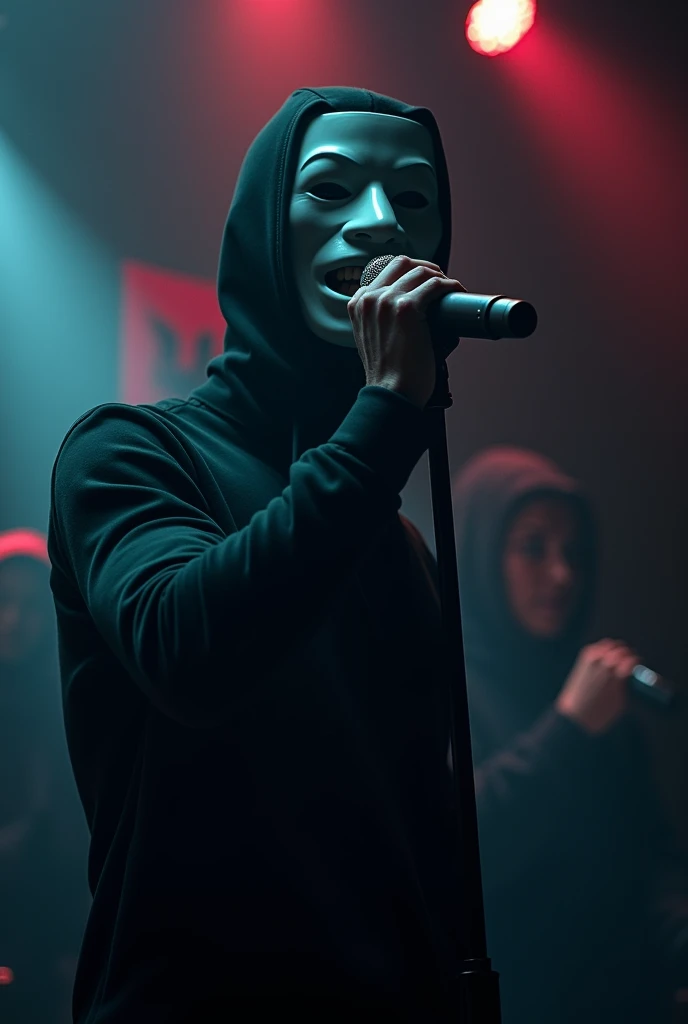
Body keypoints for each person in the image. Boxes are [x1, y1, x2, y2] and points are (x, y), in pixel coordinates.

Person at [48, 87, 470, 1022]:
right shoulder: (129, 452)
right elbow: (190, 651)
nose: (379, 225)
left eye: (413, 199)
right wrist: (386, 414)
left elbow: (420, 836)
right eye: (330, 189)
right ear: (258, 232)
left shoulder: (390, 536)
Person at [452, 446, 688, 1023]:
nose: (562, 574)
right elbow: (461, 857)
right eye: (533, 547)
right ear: (482, 552)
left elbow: (650, 856)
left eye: (573, 552)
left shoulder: (594, 689)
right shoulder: (441, 686)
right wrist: (567, 730)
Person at [0, 528, 90, 1024]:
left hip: (49, 934)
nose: (15, 620)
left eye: (30, 606)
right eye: (4, 602)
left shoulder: (67, 701)